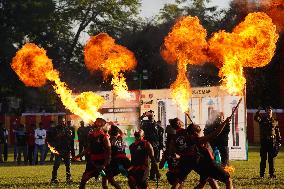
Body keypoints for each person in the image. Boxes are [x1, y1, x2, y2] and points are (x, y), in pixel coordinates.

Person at [169, 116, 233, 189]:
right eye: (196, 127)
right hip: (206, 162)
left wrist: (180, 155)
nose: (197, 125)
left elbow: (173, 150)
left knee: (202, 182)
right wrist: (224, 123)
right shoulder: (197, 139)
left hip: (194, 162)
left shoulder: (177, 137)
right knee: (228, 179)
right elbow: (215, 134)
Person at [76, 118, 111, 189]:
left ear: (101, 125)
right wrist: (78, 156)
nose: (95, 123)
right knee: (83, 180)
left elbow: (109, 150)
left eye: (98, 122)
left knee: (105, 183)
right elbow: (89, 148)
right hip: (92, 161)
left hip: (102, 161)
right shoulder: (91, 135)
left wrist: (105, 163)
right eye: (96, 121)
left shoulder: (104, 136)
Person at [254, 106, 281, 178]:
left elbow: (277, 132)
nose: (269, 111)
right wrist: (258, 111)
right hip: (264, 141)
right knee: (263, 158)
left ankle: (271, 174)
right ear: (265, 112)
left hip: (272, 141)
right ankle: (262, 174)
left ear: (272, 112)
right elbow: (256, 118)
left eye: (270, 110)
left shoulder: (275, 121)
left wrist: (279, 141)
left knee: (271, 159)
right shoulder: (262, 120)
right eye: (267, 110)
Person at [102, 124, 130, 189]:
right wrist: (114, 125)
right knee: (132, 178)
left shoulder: (110, 139)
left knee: (106, 177)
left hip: (115, 160)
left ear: (110, 132)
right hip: (125, 160)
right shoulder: (121, 138)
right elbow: (122, 132)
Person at [140, 110, 164, 180]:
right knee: (146, 161)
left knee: (155, 161)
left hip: (155, 145)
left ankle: (153, 176)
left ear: (154, 116)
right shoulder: (144, 123)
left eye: (152, 115)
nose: (151, 116)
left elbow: (160, 136)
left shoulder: (157, 125)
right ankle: (145, 176)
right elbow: (138, 122)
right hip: (146, 145)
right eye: (149, 115)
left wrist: (161, 144)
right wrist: (142, 116)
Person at [48, 116, 73, 184]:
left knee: (68, 165)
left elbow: (70, 138)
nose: (62, 123)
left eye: (63, 121)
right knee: (57, 164)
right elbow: (52, 139)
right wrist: (59, 135)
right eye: (61, 121)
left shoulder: (67, 128)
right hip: (59, 149)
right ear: (58, 122)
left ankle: (68, 178)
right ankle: (54, 178)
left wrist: (70, 134)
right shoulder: (54, 129)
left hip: (66, 149)